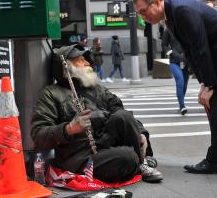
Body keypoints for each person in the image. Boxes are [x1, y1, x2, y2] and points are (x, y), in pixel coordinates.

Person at [134, 0, 217, 174]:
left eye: (143, 11)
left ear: (157, 2)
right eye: (139, 14)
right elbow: (191, 52)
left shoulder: (181, 11)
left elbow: (200, 48)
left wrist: (210, 85)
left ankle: (216, 160)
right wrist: (204, 83)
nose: (143, 17)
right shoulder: (172, 14)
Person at [31, 44, 163, 183]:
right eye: (81, 60)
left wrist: (140, 133)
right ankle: (135, 161)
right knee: (127, 157)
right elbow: (38, 134)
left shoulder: (97, 89)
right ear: (67, 66)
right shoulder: (51, 93)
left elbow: (120, 111)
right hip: (79, 156)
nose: (88, 62)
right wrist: (69, 129)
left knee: (123, 116)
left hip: (104, 142)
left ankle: (142, 163)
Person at [162, 28, 190, 115]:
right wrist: (172, 53)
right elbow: (164, 45)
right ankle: (182, 106)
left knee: (184, 84)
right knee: (180, 81)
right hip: (174, 61)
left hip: (186, 61)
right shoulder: (168, 30)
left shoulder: (187, 27)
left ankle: (181, 102)